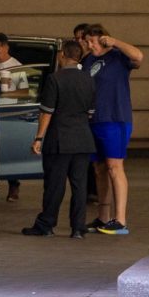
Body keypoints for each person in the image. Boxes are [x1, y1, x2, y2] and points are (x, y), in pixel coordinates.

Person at [22, 40, 95, 239]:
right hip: (83, 139)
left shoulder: (55, 79)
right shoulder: (89, 79)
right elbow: (90, 112)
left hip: (59, 140)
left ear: (62, 55)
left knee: (55, 185)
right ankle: (78, 228)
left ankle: (46, 224)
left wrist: (38, 138)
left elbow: (47, 113)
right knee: (80, 186)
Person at [82, 24, 143, 236]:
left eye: (93, 41)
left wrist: (115, 41)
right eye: (87, 41)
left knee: (114, 167)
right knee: (99, 169)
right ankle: (103, 217)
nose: (90, 45)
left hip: (115, 118)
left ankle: (121, 220)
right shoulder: (88, 60)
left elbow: (139, 57)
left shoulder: (118, 57)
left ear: (103, 39)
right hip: (94, 119)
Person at [0, 32, 26, 201]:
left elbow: (25, 91)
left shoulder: (16, 66)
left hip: (11, 111)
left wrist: (8, 93)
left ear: (6, 47)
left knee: (9, 150)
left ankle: (14, 185)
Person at [73, 22, 99, 203]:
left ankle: (96, 190)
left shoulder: (96, 60)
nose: (81, 42)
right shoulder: (81, 62)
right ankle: (88, 189)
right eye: (77, 39)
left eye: (83, 38)